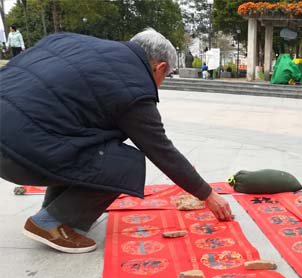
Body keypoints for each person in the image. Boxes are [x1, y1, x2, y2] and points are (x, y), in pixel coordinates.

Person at [0, 29, 233, 254]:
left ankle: (56, 212)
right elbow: (161, 150)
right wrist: (207, 194)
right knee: (124, 163)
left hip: (15, 134)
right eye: (165, 76)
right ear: (160, 67)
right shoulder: (132, 84)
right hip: (16, 152)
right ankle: (51, 223)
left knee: (87, 141)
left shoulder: (73, 43)